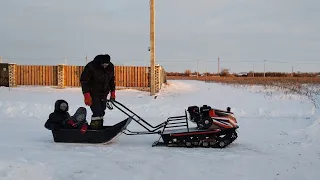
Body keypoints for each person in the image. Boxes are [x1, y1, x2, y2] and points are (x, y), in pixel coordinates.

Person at [80, 54, 116, 130]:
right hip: (93, 93)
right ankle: (94, 130)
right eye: (104, 64)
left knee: (102, 111)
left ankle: (98, 128)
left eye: (107, 64)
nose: (105, 66)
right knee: (97, 111)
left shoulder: (110, 67)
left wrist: (113, 93)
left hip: (104, 93)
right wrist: (86, 95)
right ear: (101, 62)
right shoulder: (91, 66)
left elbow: (112, 80)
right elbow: (84, 81)